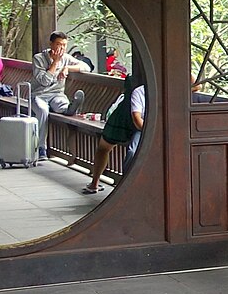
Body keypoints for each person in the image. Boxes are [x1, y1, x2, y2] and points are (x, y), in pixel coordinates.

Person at [82, 67, 145, 196]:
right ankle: (96, 183)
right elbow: (137, 119)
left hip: (125, 118)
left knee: (105, 148)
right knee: (104, 147)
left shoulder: (134, 79)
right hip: (126, 118)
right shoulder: (141, 88)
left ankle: (96, 183)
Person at [30, 32, 90, 158]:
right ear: (51, 44)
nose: (61, 48)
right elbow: (44, 81)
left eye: (64, 45)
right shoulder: (38, 58)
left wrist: (67, 68)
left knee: (61, 104)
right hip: (39, 95)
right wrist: (55, 63)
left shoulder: (66, 58)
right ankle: (41, 147)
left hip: (56, 94)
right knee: (43, 111)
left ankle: (69, 108)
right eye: (58, 44)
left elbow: (86, 67)